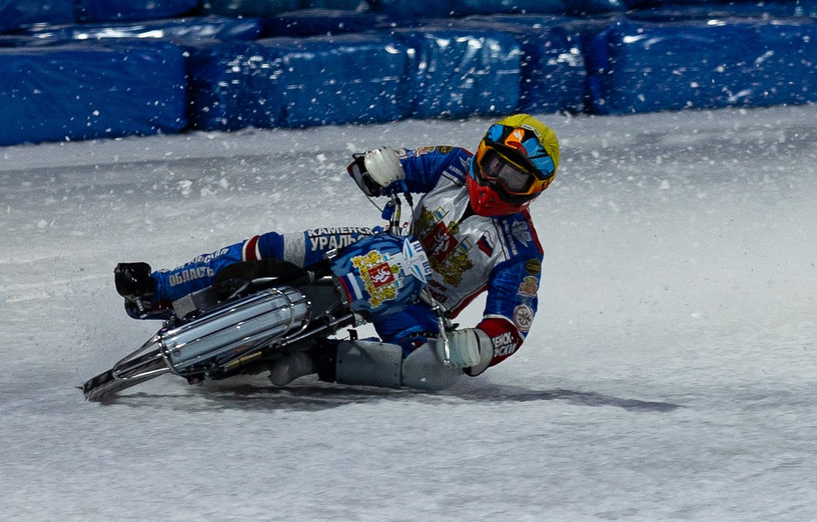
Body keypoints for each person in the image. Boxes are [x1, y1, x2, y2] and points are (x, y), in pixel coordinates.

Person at [115, 116, 559, 391]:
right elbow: (392, 164)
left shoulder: (521, 251)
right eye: (495, 165)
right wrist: (378, 166)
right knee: (279, 245)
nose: (496, 182)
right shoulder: (453, 163)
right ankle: (159, 287)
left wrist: (481, 345)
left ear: (533, 192)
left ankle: (313, 360)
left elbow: (511, 322)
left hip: (417, 306)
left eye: (514, 179)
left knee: (438, 372)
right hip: (375, 248)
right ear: (482, 154)